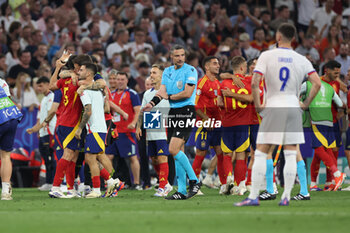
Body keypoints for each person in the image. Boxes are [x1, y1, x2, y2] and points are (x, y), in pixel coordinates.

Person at [235, 23, 321, 207]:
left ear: (278, 37)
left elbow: (255, 82)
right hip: (293, 106)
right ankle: (287, 196)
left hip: (274, 105)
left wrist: (258, 106)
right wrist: (305, 104)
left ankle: (254, 196)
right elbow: (317, 83)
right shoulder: (301, 59)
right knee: (291, 153)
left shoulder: (267, 55)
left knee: (261, 152)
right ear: (294, 38)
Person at [143, 44, 201, 200]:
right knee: (176, 152)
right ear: (171, 57)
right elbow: (162, 91)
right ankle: (181, 190)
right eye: (177, 55)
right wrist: (152, 103)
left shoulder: (190, 71)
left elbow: (187, 93)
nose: (180, 58)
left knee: (173, 149)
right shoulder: (168, 72)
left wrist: (170, 96)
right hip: (173, 112)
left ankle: (194, 181)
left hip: (186, 111)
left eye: (182, 55)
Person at [74, 63, 120, 198]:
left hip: (94, 129)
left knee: (90, 158)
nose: (78, 72)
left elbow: (88, 111)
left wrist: (79, 128)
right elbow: (105, 109)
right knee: (94, 158)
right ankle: (112, 182)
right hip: (99, 128)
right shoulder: (98, 89)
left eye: (81, 70)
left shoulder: (84, 91)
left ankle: (98, 189)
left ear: (88, 73)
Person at [300, 71, 346, 193]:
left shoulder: (307, 84)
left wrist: (301, 102)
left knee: (319, 149)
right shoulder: (329, 87)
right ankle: (315, 184)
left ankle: (337, 174)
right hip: (330, 122)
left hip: (316, 120)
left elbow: (295, 95)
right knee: (322, 151)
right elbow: (340, 103)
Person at [137, 64, 173, 197]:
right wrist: (138, 127)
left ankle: (163, 187)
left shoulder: (169, 92)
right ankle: (166, 183)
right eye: (151, 73)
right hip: (151, 126)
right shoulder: (148, 93)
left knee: (162, 157)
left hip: (164, 128)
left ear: (162, 76)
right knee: (154, 158)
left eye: (154, 73)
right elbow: (142, 111)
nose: (151, 75)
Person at [220, 56, 252, 195]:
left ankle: (228, 177)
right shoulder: (248, 81)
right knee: (240, 156)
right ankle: (239, 186)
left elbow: (219, 103)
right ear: (241, 67)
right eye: (245, 67)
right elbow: (251, 99)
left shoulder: (224, 83)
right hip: (243, 124)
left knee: (227, 154)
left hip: (227, 123)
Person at [191, 56, 224, 190]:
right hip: (204, 125)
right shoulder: (201, 83)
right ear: (207, 67)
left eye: (218, 63)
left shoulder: (217, 83)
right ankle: (193, 185)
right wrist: (206, 119)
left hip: (217, 124)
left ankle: (223, 183)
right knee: (201, 154)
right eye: (215, 63)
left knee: (221, 152)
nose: (218, 65)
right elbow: (194, 105)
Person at [105, 71, 142, 190]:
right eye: (118, 79)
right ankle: (110, 182)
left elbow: (138, 111)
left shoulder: (132, 94)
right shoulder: (112, 94)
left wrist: (134, 123)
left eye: (122, 79)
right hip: (113, 131)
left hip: (127, 131)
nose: (119, 81)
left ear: (127, 80)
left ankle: (136, 183)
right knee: (109, 156)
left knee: (132, 157)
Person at [26, 76, 57, 191]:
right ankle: (49, 182)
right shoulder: (43, 99)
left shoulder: (52, 97)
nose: (39, 88)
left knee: (52, 158)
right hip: (43, 132)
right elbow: (40, 119)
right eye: (38, 86)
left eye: (41, 85)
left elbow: (51, 114)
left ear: (48, 84)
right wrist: (35, 129)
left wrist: (41, 126)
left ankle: (54, 183)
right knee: (46, 158)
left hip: (50, 132)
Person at [0, 78, 23, 200]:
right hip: (11, 116)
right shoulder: (1, 81)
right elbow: (8, 100)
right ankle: (5, 191)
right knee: (5, 156)